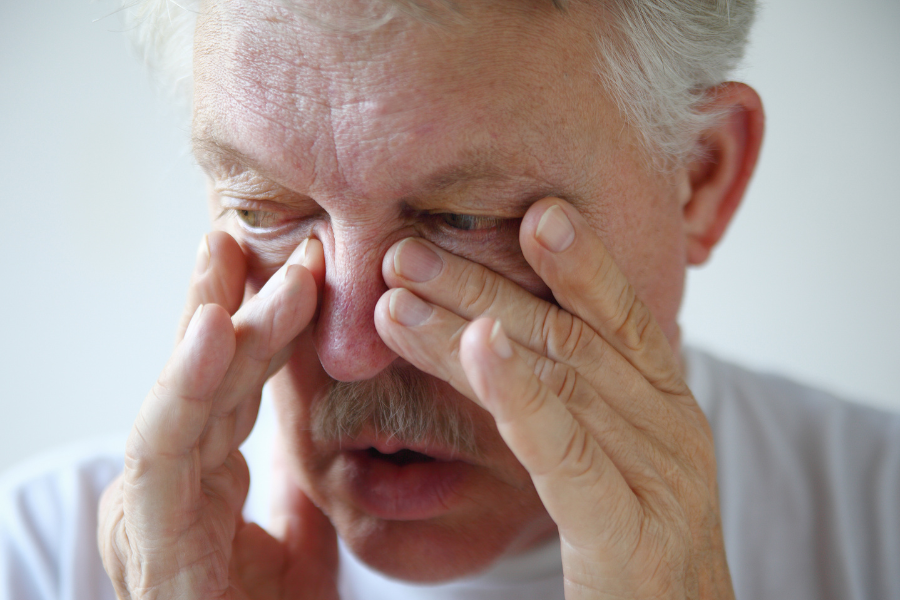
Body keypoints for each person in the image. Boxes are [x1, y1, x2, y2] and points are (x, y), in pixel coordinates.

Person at [1, 0, 898, 599]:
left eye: (464, 218)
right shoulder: (41, 561)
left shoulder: (876, 531)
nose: (352, 347)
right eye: (265, 208)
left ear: (700, 179)